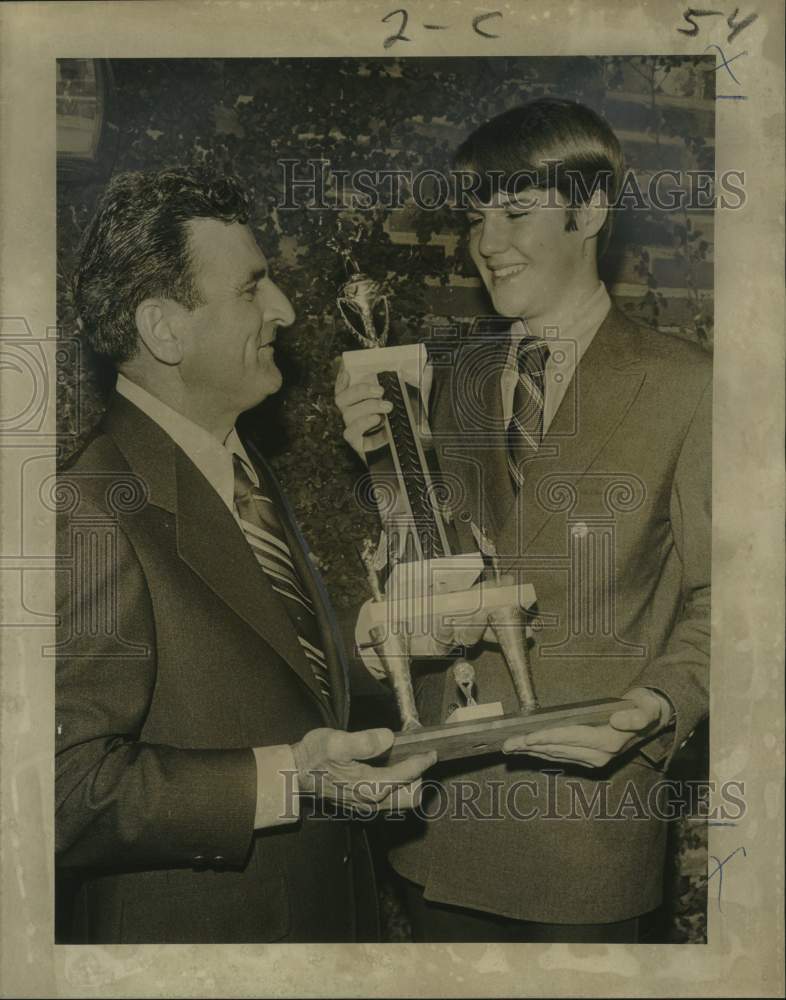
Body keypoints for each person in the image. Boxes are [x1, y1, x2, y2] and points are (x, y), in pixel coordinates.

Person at [336, 98, 711, 943]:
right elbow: (427, 571)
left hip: (584, 836)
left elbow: (731, 596)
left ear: (590, 211)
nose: (487, 243)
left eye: (513, 211)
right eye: (477, 218)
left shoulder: (688, 385)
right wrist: (385, 469)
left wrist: (658, 702)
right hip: (438, 828)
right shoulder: (448, 382)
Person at [55, 168, 438, 944]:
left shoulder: (235, 462)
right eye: (252, 289)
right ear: (165, 330)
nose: (286, 311)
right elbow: (58, 788)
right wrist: (292, 778)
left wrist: (375, 650)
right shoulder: (88, 508)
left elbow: (276, 672)